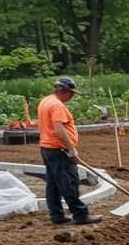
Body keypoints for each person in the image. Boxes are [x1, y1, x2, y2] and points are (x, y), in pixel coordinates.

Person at [37, 76, 101, 226]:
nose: (72, 96)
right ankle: (81, 215)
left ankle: (57, 215)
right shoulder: (57, 105)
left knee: (53, 183)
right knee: (69, 183)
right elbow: (59, 128)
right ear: (64, 91)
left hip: (47, 148)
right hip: (59, 150)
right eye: (71, 93)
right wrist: (71, 148)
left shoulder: (46, 101)